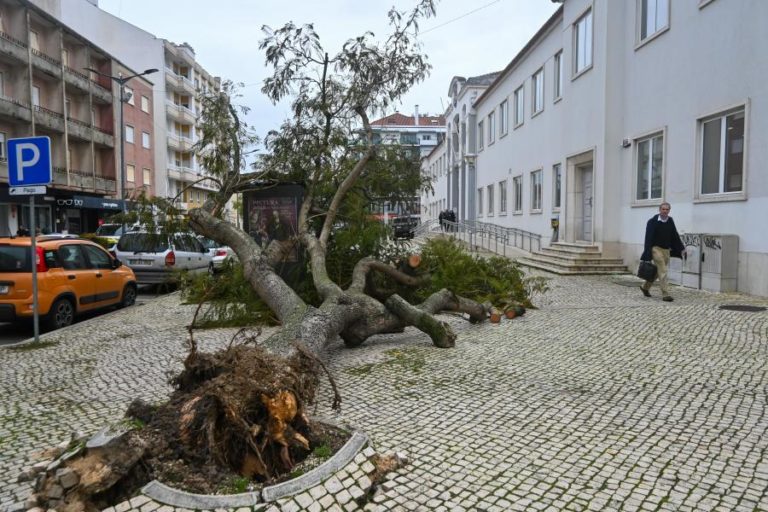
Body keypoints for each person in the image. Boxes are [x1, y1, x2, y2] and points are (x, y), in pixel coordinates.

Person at [640, 202, 686, 302]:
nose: (665, 211)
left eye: (667, 209)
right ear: (659, 210)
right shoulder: (652, 221)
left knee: (658, 271)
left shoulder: (670, 220)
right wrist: (647, 252)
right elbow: (648, 238)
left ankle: (645, 287)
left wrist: (681, 248)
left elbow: (674, 235)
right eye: (663, 209)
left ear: (669, 210)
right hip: (655, 249)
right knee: (663, 269)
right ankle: (665, 294)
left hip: (666, 250)